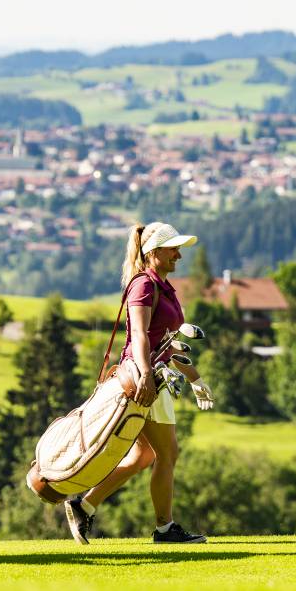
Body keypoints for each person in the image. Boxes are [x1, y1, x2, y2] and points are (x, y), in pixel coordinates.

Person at [64, 222, 215, 546]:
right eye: (173, 249)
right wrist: (146, 374)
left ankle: (83, 505)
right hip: (145, 380)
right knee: (168, 454)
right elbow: (139, 337)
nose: (178, 255)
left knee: (144, 456)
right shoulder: (144, 286)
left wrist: (195, 378)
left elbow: (166, 344)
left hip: (153, 376)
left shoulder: (163, 287)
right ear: (154, 252)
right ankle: (165, 529)